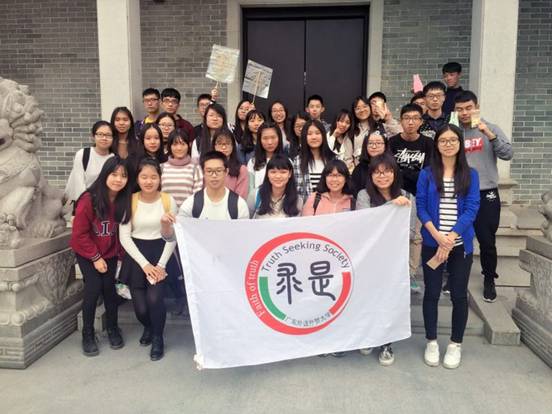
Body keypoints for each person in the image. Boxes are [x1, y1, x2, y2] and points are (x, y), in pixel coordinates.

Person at [416, 124, 480, 369]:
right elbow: (421, 207)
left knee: (459, 294)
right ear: (437, 144)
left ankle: (455, 344)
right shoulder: (427, 174)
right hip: (432, 243)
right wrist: (437, 236)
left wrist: (450, 237)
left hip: (460, 245)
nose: (448, 144)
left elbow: (472, 208)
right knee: (431, 293)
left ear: (460, 144)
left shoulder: (470, 174)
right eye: (443, 140)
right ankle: (431, 341)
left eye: (453, 140)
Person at [454, 90, 514, 302]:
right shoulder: (454, 132)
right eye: (460, 109)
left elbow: (507, 154)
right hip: (460, 193)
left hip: (486, 192)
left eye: (468, 108)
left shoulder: (490, 128)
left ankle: (489, 278)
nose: (464, 113)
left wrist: (489, 134)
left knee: (487, 240)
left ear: (476, 107)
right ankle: (454, 277)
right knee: (456, 237)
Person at [70, 157, 131, 357]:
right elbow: (79, 235)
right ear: (105, 174)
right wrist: (95, 258)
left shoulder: (123, 200)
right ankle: (88, 333)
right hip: (87, 252)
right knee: (93, 287)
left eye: (123, 176)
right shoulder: (89, 199)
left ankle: (113, 328)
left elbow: (121, 233)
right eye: (114, 174)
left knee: (109, 290)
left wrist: (120, 256)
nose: (118, 179)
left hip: (110, 253)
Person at [356, 153, 412, 366]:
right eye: (377, 172)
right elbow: (365, 223)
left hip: (394, 260)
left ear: (394, 173)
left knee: (390, 301)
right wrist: (391, 207)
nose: (382, 176)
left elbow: (410, 231)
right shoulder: (364, 195)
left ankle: (386, 343)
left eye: (387, 171)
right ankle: (369, 337)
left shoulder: (407, 196)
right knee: (368, 299)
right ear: (371, 175)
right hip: (369, 258)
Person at [119, 158, 178, 361]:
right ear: (137, 179)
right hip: (137, 256)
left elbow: (173, 235)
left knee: (154, 299)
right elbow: (124, 236)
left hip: (161, 252)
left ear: (160, 179)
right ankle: (149, 327)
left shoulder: (168, 201)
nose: (149, 181)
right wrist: (144, 265)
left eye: (153, 177)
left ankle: (158, 337)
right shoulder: (130, 200)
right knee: (141, 309)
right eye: (144, 177)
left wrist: (160, 265)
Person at [389, 103, 434, 292]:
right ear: (401, 121)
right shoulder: (392, 142)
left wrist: (404, 173)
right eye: (407, 118)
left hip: (419, 194)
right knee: (395, 235)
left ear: (421, 121)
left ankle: (411, 274)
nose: (410, 122)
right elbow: (390, 170)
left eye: (415, 118)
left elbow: (428, 172)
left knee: (415, 236)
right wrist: (410, 174)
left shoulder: (428, 143)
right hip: (395, 195)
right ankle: (393, 273)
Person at [161, 151, 249, 240]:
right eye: (209, 171)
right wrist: (166, 226)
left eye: (218, 171)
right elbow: (176, 236)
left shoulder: (239, 204)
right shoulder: (192, 203)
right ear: (203, 172)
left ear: (226, 172)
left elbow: (243, 237)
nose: (214, 175)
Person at [65, 121, 115, 206]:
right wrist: (87, 204)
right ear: (93, 136)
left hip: (106, 204)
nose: (104, 138)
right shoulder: (83, 154)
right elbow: (79, 184)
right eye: (100, 134)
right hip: (84, 203)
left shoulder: (114, 158)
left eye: (108, 135)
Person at [293, 119, 336, 202]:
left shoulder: (334, 159)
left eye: (317, 133)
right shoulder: (298, 161)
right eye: (309, 134)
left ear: (323, 135)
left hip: (330, 207)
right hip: (306, 207)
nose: (314, 137)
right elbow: (295, 190)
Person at [161, 129, 203, 208]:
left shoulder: (195, 168)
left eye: (183, 144)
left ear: (188, 145)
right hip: (165, 212)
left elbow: (197, 195)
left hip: (188, 212)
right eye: (175, 144)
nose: (179, 148)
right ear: (170, 146)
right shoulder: (162, 168)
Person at [247, 121, 285, 204]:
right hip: (259, 204)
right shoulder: (253, 162)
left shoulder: (287, 162)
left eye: (273, 137)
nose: (269, 142)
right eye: (265, 138)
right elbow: (250, 189)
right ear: (259, 140)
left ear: (279, 138)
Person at [253, 154, 302, 219]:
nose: (278, 176)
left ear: (290, 174)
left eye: (283, 172)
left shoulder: (297, 200)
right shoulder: (255, 195)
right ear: (267, 174)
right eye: (273, 172)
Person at [212, 129, 249, 200]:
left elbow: (240, 197)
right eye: (220, 144)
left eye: (228, 143)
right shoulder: (207, 167)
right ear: (214, 146)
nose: (223, 147)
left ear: (233, 146)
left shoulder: (241, 170)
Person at [350, 96, 375, 166]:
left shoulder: (379, 126)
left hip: (377, 168)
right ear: (354, 112)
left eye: (365, 106)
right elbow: (348, 158)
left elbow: (398, 132)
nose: (362, 110)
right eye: (358, 108)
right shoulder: (351, 129)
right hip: (358, 168)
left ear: (370, 107)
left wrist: (388, 118)